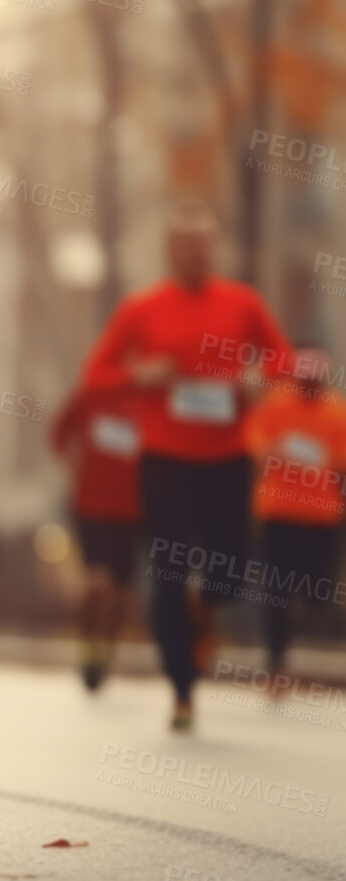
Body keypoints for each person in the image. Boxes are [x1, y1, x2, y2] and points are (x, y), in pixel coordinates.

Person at [81, 201, 294, 732]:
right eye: (186, 244)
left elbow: (285, 362)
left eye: (204, 243)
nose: (196, 252)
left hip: (226, 459)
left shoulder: (242, 304)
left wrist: (256, 377)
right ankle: (181, 688)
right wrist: (141, 375)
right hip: (166, 461)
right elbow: (96, 375)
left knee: (229, 571)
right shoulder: (142, 308)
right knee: (169, 573)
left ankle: (209, 602)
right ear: (170, 250)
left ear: (213, 248)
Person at [242, 349, 346, 691]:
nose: (308, 385)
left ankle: (300, 617)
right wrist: (276, 450)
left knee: (318, 589)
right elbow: (255, 443)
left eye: (314, 380)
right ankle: (276, 662)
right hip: (278, 514)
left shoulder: (337, 412)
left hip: (321, 517)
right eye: (304, 380)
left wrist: (311, 455)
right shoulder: (275, 405)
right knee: (276, 591)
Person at [50, 383, 145, 691]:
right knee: (96, 582)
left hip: (134, 509)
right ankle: (89, 649)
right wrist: (71, 473)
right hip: (91, 506)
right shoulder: (89, 395)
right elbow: (58, 435)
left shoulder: (149, 401)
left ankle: (107, 655)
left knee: (120, 591)